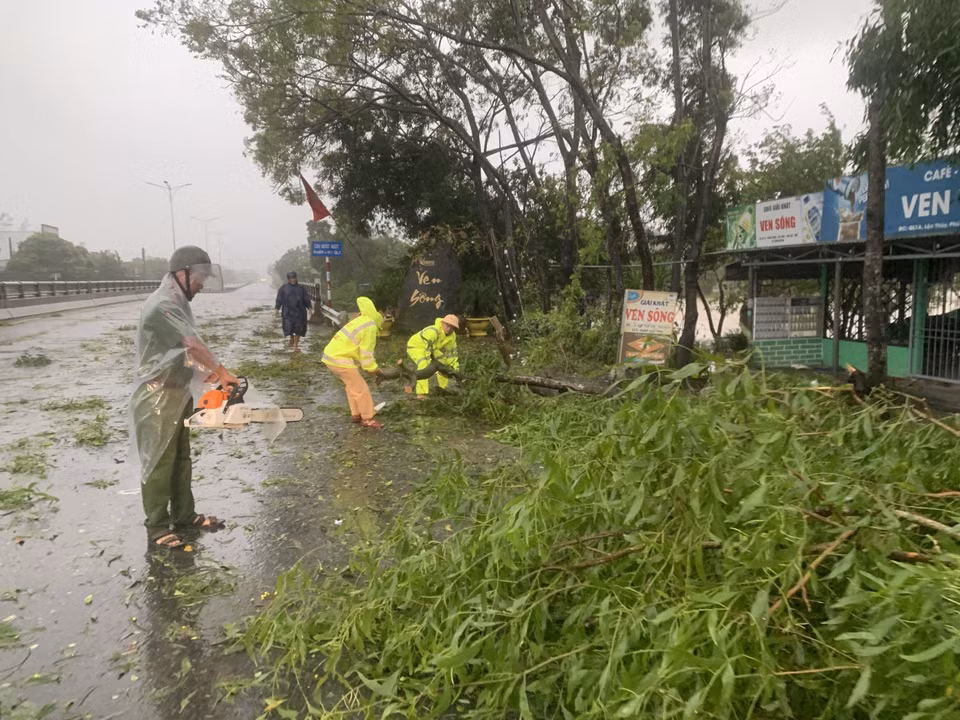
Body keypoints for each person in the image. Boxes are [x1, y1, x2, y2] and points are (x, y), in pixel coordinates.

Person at [129, 245, 240, 549]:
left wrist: (210, 379)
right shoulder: (163, 304)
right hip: (157, 397)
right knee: (160, 462)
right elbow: (191, 344)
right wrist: (221, 371)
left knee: (181, 457)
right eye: (200, 276)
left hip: (177, 392)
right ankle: (157, 526)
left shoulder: (179, 301)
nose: (202, 283)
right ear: (183, 273)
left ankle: (184, 515)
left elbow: (182, 353)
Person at [322, 297, 384, 428]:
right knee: (361, 389)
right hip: (340, 359)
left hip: (330, 356)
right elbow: (366, 354)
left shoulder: (360, 320)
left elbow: (356, 349)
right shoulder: (371, 327)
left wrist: (368, 367)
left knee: (352, 386)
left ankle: (356, 414)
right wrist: (373, 369)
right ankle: (367, 418)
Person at [406, 314, 460, 396]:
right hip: (416, 346)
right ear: (442, 323)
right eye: (447, 325)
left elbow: (452, 353)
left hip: (432, 348)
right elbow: (426, 350)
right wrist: (430, 363)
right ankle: (421, 393)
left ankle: (443, 389)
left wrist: (455, 368)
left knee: (443, 364)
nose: (449, 329)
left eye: (452, 327)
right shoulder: (433, 331)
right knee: (424, 365)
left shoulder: (452, 336)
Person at [275, 271, 312, 352]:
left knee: (299, 328)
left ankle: (295, 345)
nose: (293, 280)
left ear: (296, 278)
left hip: (300, 311)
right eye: (291, 278)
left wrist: (309, 307)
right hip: (287, 311)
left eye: (294, 278)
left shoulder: (301, 288)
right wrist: (277, 308)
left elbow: (306, 298)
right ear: (288, 279)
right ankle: (291, 338)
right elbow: (279, 298)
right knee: (289, 327)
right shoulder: (283, 288)